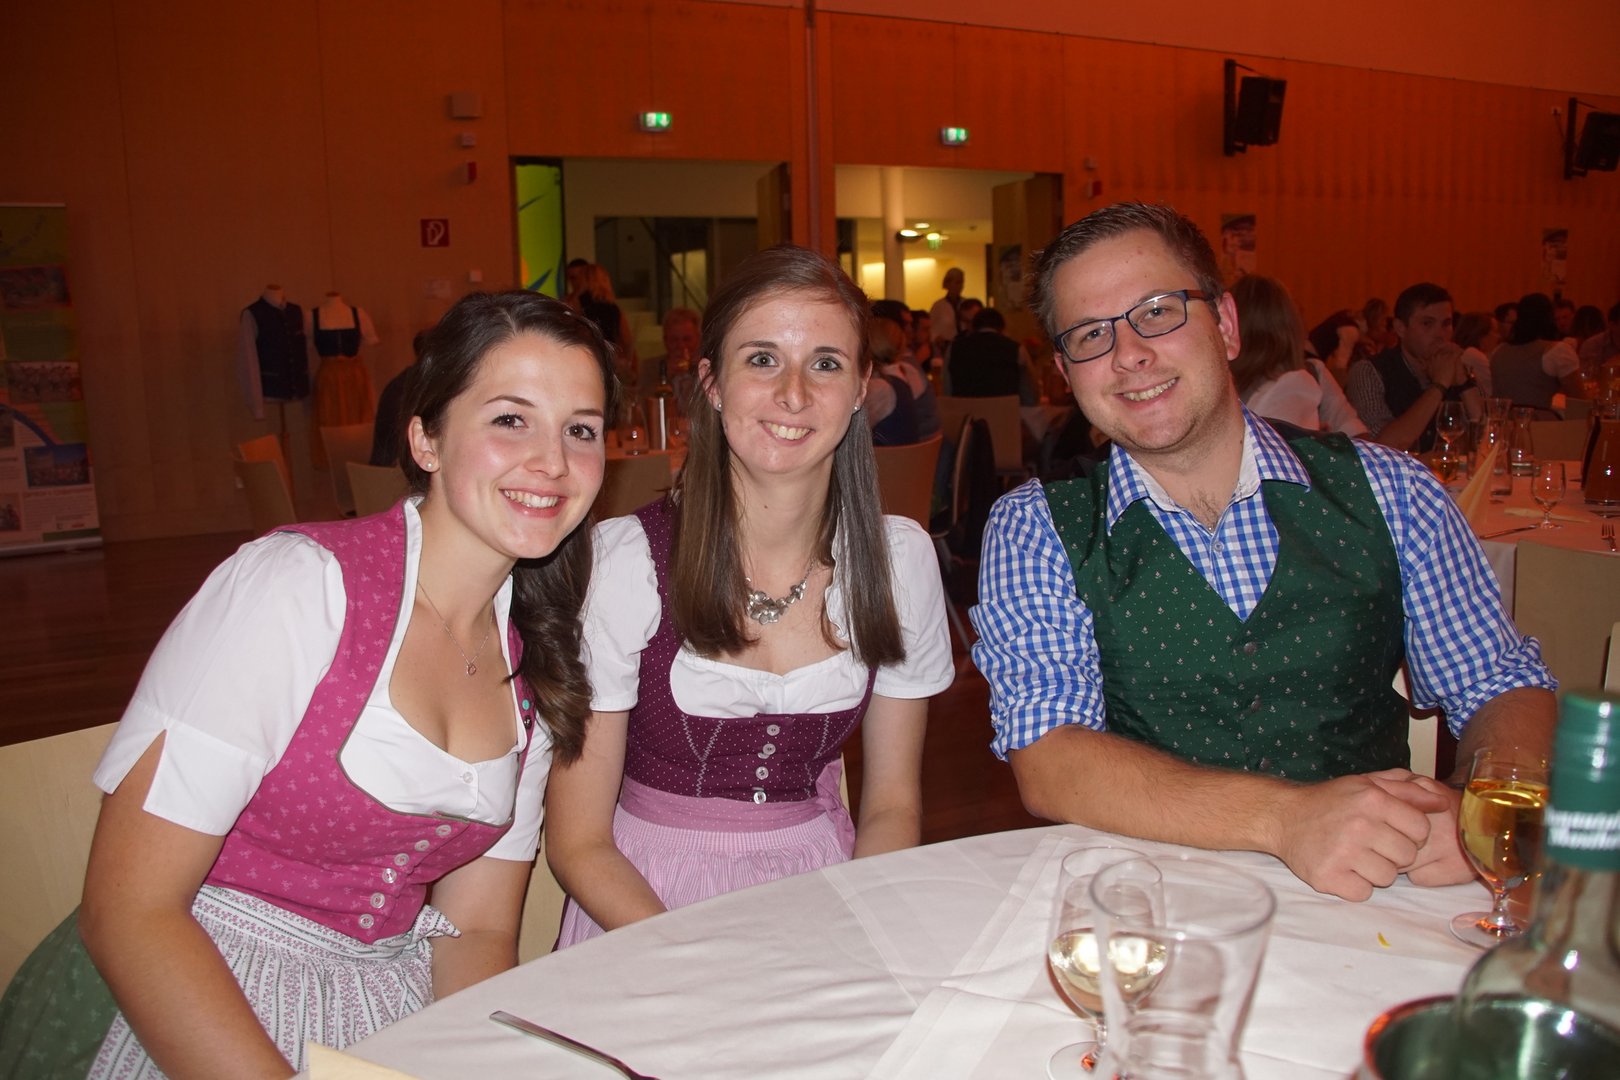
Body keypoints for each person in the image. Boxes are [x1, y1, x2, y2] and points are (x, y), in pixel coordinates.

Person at [0, 291, 616, 1078]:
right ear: (426, 438)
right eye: (510, 419)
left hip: (387, 1005)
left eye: (580, 429)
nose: (553, 461)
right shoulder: (297, 589)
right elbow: (130, 911)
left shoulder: (538, 660)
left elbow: (477, 931)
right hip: (199, 996)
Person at [971, 202, 1556, 903]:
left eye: (1157, 312)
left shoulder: (1391, 490)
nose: (1128, 354)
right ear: (1066, 372)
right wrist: (1287, 819)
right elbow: (1050, 758)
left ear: (1225, 324)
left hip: (1371, 898)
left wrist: (1480, 810)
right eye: (1091, 334)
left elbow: (1500, 684)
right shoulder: (1037, 526)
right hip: (1149, 904)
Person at [544, 245, 953, 946]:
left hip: (826, 894)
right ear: (711, 382)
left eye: (826, 363)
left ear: (861, 387)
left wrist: (857, 932)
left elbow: (890, 807)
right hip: (647, 910)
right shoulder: (627, 561)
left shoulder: (898, 561)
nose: (793, 394)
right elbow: (578, 842)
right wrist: (702, 966)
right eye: (762, 359)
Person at [1231, 275, 1367, 437]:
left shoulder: (1313, 371)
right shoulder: (1300, 381)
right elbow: (1357, 435)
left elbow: (1354, 431)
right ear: (1289, 326)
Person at [1344, 282, 1469, 451]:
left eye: (1446, 324)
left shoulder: (1454, 365)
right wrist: (1439, 385)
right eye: (1427, 323)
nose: (1440, 334)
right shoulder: (1369, 372)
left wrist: (1464, 382)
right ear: (1400, 328)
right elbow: (1380, 449)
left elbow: (1488, 436)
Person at [1489, 292, 1582, 414]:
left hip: (1504, 421)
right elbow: (1579, 400)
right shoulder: (1556, 351)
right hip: (1538, 422)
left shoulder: (1498, 351)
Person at [1305, 310, 1361, 386]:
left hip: (1306, 352)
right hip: (1311, 358)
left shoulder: (1342, 318)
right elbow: (1341, 363)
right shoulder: (1351, 329)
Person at [1454, 311, 1500, 399]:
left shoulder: (1465, 352)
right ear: (1481, 334)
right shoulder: (1474, 355)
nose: (1499, 336)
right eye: (1495, 331)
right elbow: (1494, 390)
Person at [929, 267, 966, 361]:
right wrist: (936, 338)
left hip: (965, 345)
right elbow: (931, 327)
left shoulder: (965, 304)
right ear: (948, 283)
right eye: (956, 282)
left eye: (961, 282)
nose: (960, 286)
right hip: (945, 347)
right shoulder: (938, 306)